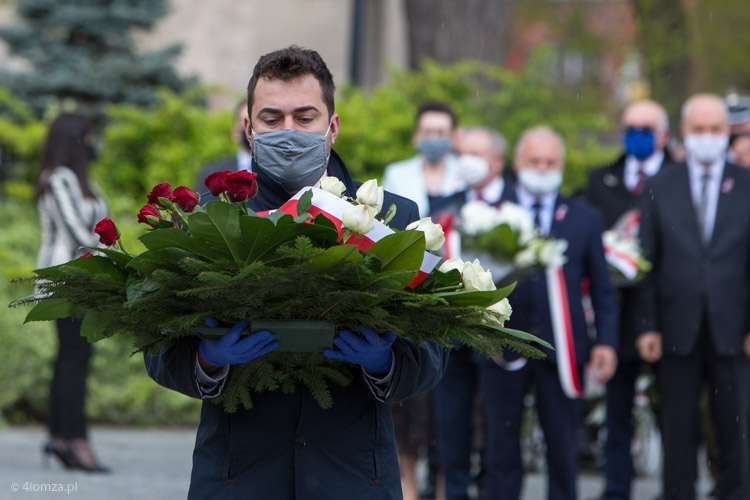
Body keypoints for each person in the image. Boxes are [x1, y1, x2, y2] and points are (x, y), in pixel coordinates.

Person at [144, 46, 448, 500]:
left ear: (332, 126)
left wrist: (385, 363)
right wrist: (210, 360)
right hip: (239, 478)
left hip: (352, 478)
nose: (288, 131)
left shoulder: (393, 219)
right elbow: (159, 348)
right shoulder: (208, 222)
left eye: (305, 117)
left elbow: (433, 351)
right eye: (271, 119)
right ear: (249, 128)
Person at [479, 126, 618, 500]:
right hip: (503, 346)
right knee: (501, 448)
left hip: (564, 349)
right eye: (534, 161)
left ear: (562, 165)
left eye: (550, 162)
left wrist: (606, 342)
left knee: (562, 448)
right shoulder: (492, 212)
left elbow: (603, 289)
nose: (542, 169)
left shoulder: (583, 216)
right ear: (517, 163)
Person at [636, 93, 750, 500]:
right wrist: (647, 325)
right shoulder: (660, 185)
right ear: (684, 133)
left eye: (715, 129)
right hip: (675, 327)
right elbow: (646, 260)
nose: (707, 137)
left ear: (727, 132)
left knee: (735, 428)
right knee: (678, 428)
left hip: (733, 329)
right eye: (698, 129)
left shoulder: (746, 184)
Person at [584, 99, 676, 500]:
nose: (637, 134)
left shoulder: (681, 178)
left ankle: (676, 486)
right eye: (630, 126)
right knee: (617, 408)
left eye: (646, 128)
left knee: (673, 409)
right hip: (616, 314)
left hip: (670, 314)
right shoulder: (601, 179)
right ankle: (616, 488)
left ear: (664, 135)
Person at [433, 125, 511, 500]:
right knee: (451, 427)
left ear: (497, 161)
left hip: (501, 334)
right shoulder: (445, 203)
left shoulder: (517, 205)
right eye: (463, 153)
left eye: (477, 155)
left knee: (500, 428)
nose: (468, 162)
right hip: (451, 334)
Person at [36, 113, 110, 473]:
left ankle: (59, 438)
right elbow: (78, 231)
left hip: (84, 278)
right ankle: (74, 440)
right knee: (74, 362)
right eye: (89, 135)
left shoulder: (81, 180)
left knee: (70, 360)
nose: (94, 141)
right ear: (76, 139)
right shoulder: (58, 179)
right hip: (64, 278)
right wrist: (112, 254)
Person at [382, 101, 465, 217]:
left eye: (441, 133)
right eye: (427, 132)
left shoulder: (465, 173)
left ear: (452, 136)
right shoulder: (396, 174)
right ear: (416, 136)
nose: (433, 138)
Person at [194, 101, 253, 199]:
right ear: (235, 132)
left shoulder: (280, 171)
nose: (250, 128)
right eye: (245, 122)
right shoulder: (212, 174)